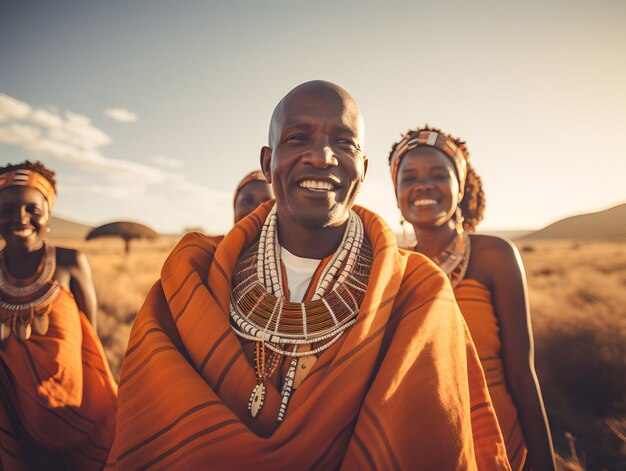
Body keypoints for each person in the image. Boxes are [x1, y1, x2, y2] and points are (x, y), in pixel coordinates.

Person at [107, 81, 509, 469]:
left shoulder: (416, 291)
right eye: (298, 138)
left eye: (344, 142)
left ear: (363, 169)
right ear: (267, 163)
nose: (322, 156)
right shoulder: (191, 277)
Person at [389, 126, 556, 470]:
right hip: (423, 445)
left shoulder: (495, 256)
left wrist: (544, 462)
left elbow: (522, 372)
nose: (423, 185)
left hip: (498, 440)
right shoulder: (394, 269)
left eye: (438, 174)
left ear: (460, 186)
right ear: (397, 192)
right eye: (409, 178)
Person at [0, 161, 117, 470]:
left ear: (48, 213)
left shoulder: (70, 262)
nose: (20, 218)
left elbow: (89, 338)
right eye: (7, 209)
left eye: (32, 209)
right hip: (10, 414)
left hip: (73, 408)